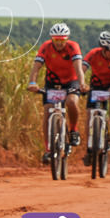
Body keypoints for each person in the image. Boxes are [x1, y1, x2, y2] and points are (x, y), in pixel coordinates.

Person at [27, 22, 86, 163]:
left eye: (62, 40)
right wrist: (32, 83)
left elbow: (78, 68)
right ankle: (48, 150)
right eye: (56, 40)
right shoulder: (46, 47)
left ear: (67, 39)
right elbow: (36, 68)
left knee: (71, 102)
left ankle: (73, 130)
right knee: (47, 112)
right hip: (52, 82)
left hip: (71, 81)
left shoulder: (73, 47)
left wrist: (82, 84)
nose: (59, 43)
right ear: (51, 39)